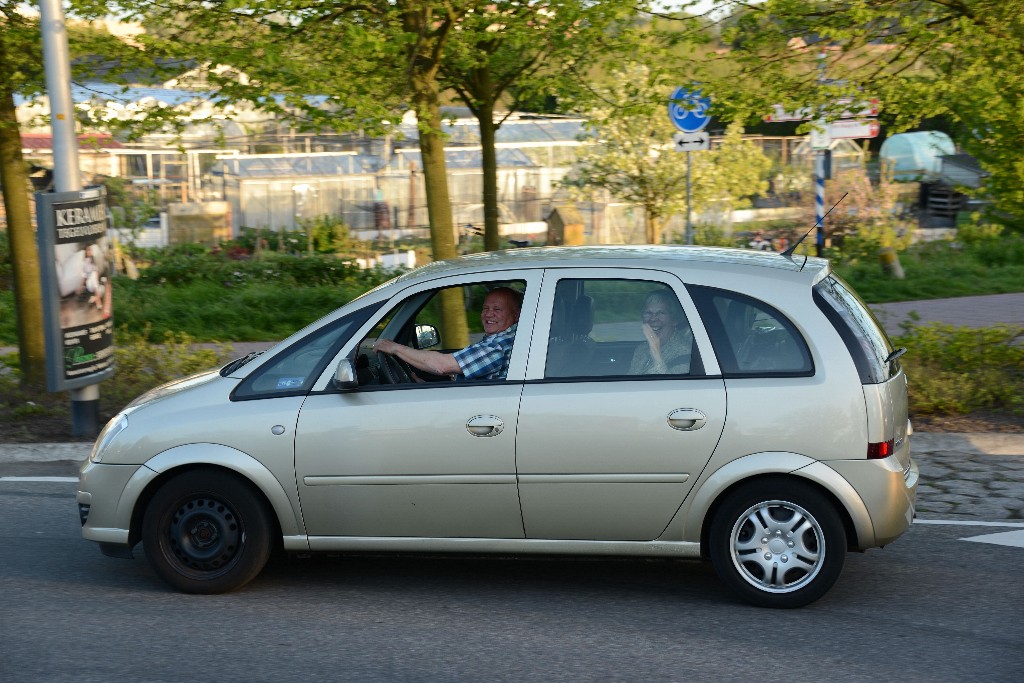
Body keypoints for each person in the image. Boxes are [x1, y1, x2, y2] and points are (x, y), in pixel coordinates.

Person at [373, 286, 523, 381]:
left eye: (497, 309)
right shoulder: (505, 338)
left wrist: (395, 348)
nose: (488, 314)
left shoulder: (498, 346)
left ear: (516, 315)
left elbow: (442, 366)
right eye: (485, 308)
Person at [629, 290, 693, 375]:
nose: (653, 319)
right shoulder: (641, 349)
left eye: (661, 313)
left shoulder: (685, 353)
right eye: (648, 313)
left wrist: (656, 354)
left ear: (674, 320)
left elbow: (672, 385)